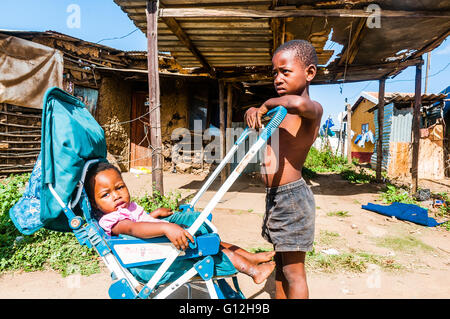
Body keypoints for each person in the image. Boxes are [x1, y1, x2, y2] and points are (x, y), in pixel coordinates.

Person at [84, 161, 275, 285]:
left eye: (119, 187)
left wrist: (154, 214)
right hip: (149, 260)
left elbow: (139, 222)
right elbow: (133, 228)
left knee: (208, 240)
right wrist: (166, 226)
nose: (116, 195)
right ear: (94, 203)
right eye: (106, 194)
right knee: (206, 246)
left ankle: (250, 256)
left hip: (155, 246)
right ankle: (253, 271)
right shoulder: (111, 220)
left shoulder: (124, 209)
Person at [244, 40, 323, 298]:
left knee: (294, 272)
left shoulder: (311, 110)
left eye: (285, 71)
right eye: (274, 73)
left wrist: (266, 103)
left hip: (293, 198)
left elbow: (297, 104)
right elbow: (268, 109)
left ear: (309, 73)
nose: (277, 78)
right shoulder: (280, 110)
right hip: (276, 197)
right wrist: (252, 110)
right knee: (280, 266)